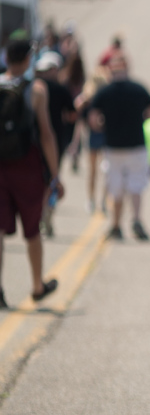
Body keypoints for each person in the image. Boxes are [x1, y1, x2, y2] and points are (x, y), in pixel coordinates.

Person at [0, 40, 63, 305]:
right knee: (32, 230)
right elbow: (46, 135)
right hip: (26, 166)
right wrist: (55, 175)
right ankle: (37, 285)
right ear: (27, 60)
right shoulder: (36, 89)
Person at [89, 55, 150, 240]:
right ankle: (136, 219)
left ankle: (116, 225)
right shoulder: (138, 89)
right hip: (136, 144)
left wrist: (104, 125)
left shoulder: (104, 92)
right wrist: (140, 119)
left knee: (115, 187)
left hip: (113, 146)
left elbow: (93, 119)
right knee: (136, 185)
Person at [33, 52, 75, 237]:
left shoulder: (32, 89)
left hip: (33, 141)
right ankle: (47, 214)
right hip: (55, 141)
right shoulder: (61, 89)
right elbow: (72, 115)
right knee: (53, 179)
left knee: (38, 180)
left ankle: (39, 215)